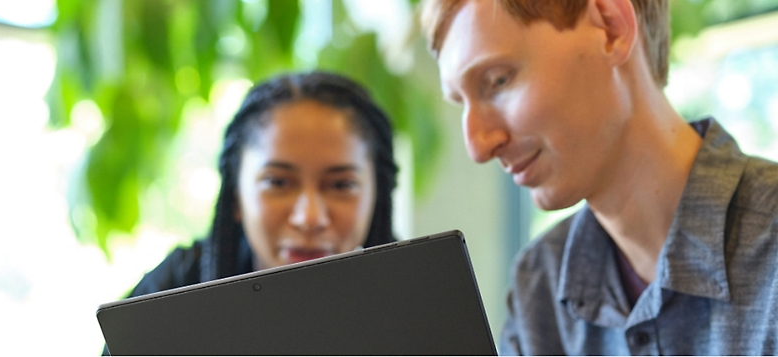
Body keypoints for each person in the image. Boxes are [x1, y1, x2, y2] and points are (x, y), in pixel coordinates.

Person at [421, 0, 778, 354]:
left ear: (610, 28)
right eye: (461, 102)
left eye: (499, 80)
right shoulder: (539, 287)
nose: (478, 147)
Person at [126, 71, 398, 297]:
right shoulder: (171, 295)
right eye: (278, 182)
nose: (310, 218)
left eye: (340, 186)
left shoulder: (423, 298)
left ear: (377, 195)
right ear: (236, 197)